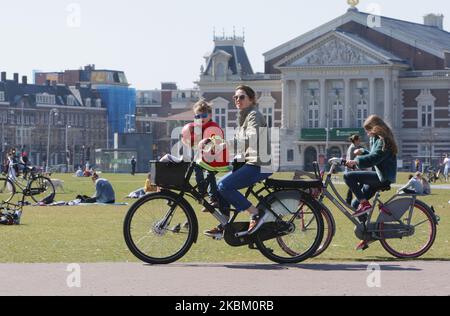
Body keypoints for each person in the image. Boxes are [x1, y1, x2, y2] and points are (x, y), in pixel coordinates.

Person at [203, 85, 273, 239]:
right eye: (235, 97)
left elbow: (251, 139)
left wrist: (224, 145)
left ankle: (255, 213)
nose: (237, 100)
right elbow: (240, 142)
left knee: (224, 186)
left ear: (251, 99)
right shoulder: (245, 117)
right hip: (250, 163)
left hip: (259, 165)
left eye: (241, 97)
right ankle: (225, 225)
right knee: (220, 184)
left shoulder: (254, 115)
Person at [344, 115, 398, 250]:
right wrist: (363, 151)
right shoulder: (377, 139)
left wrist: (357, 161)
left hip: (382, 177)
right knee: (355, 203)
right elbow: (375, 155)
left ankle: (365, 204)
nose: (367, 134)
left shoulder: (384, 140)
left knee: (348, 177)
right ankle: (368, 235)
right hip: (378, 176)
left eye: (368, 130)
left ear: (375, 128)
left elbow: (375, 158)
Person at [189, 100, 229, 211]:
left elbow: (215, 139)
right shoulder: (199, 127)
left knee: (209, 173)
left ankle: (212, 198)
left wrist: (206, 141)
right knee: (198, 168)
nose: (201, 118)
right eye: (198, 116)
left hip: (219, 157)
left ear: (210, 115)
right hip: (208, 158)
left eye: (204, 115)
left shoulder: (213, 126)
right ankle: (204, 191)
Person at [345, 135, 364, 205]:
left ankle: (349, 200)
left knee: (353, 185)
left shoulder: (354, 146)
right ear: (356, 140)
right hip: (352, 169)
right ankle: (355, 199)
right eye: (359, 140)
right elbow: (351, 160)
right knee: (359, 183)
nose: (360, 141)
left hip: (353, 169)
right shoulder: (353, 148)